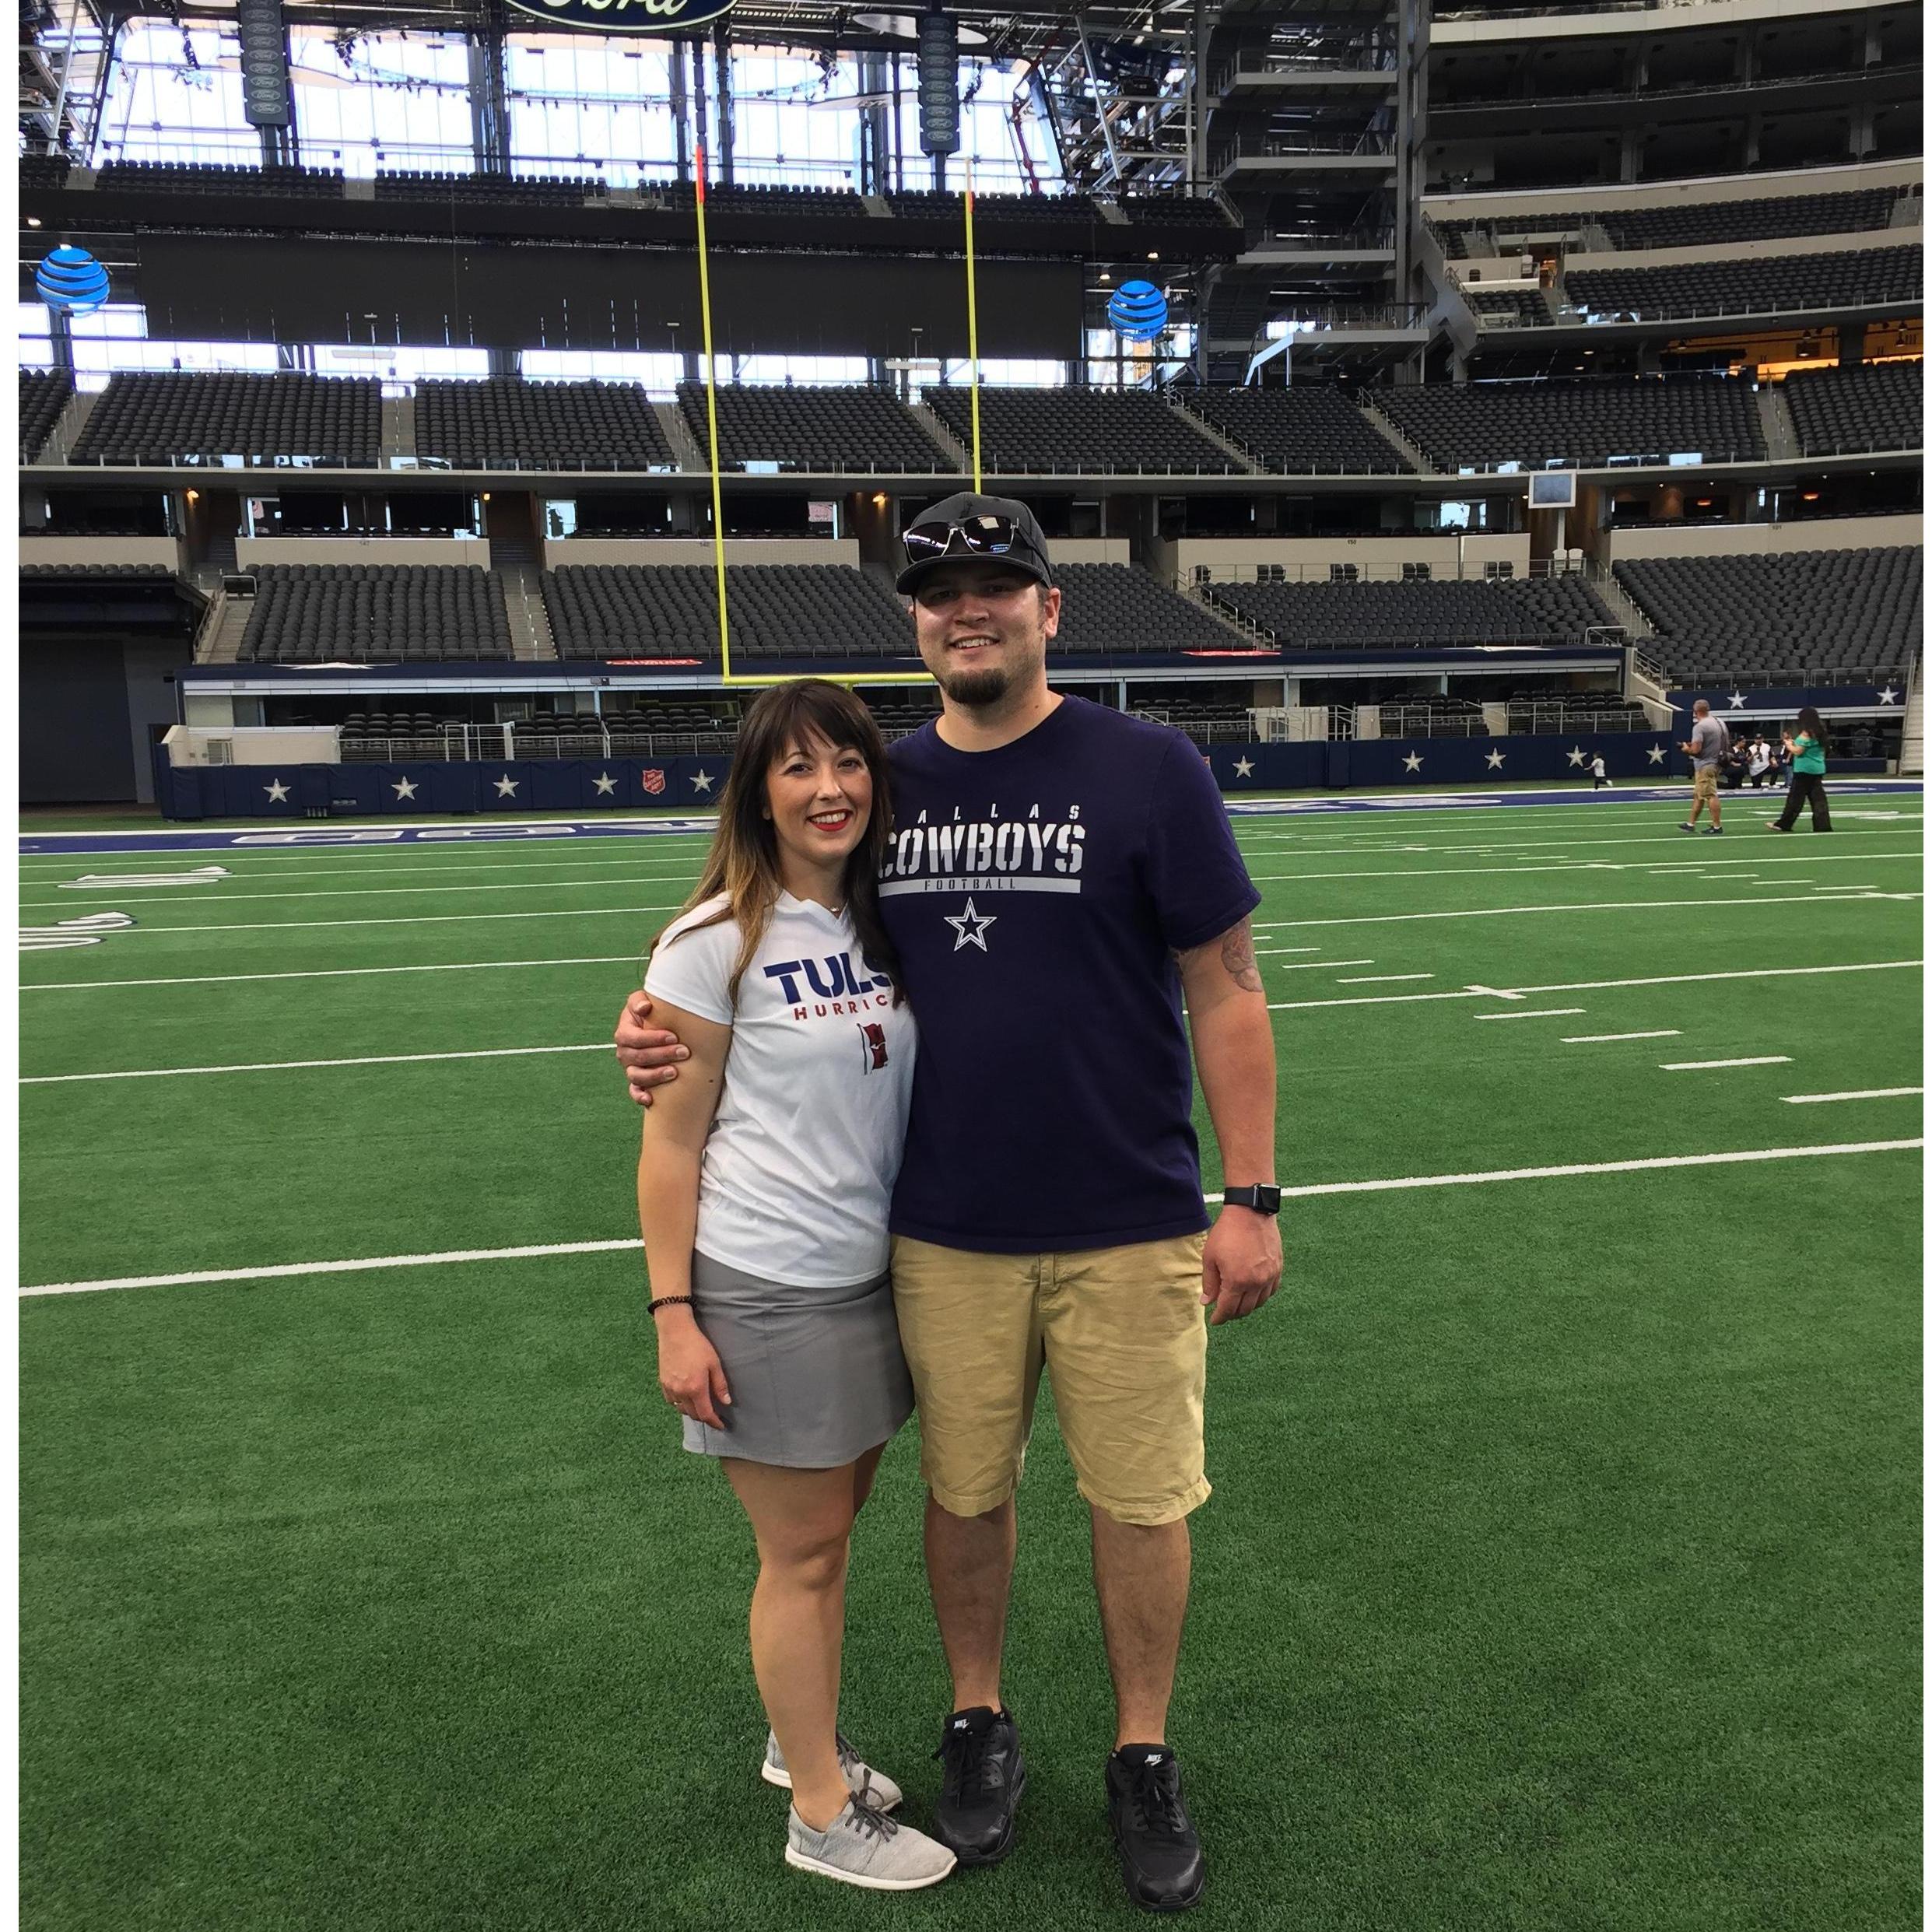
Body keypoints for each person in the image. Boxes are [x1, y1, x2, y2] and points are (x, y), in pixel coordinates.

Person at [618, 493, 1282, 1914]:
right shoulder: (880, 784)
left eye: (996, 585)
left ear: (1052, 608)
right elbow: (767, 926)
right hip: (937, 1227)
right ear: (912, 621)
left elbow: (1225, 987)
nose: (965, 608)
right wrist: (662, 1023)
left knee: (1141, 1499)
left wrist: (1252, 1192)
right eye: (937, 591)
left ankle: (1140, 1746)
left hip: (1129, 1214)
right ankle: (976, 1720)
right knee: (964, 1494)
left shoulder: (1151, 766)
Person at [635, 677, 957, 1892]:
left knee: (829, 1536)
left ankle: (799, 1738)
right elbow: (669, 1142)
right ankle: (819, 1812)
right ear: (757, 794)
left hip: (874, 1274)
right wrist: (675, 1312)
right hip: (769, 1280)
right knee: (804, 1553)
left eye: (849, 763)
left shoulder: (882, 917)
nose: (830, 788)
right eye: (798, 767)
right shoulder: (714, 935)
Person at [1771, 706, 1833, 833]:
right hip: (1817, 768)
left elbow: (1798, 751)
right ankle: (1822, 825)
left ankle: (1784, 824)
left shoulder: (1807, 732)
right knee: (1818, 800)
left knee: (1795, 799)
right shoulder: (1820, 732)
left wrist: (1789, 745)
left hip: (1804, 770)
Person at [1678, 699, 1729, 833]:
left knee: (1710, 794)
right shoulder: (1719, 722)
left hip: (1705, 764)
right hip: (1718, 762)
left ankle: (1717, 826)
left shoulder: (1700, 727)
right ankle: (1691, 823)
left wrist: (1685, 749)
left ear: (1696, 712)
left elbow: (1695, 750)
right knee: (1699, 794)